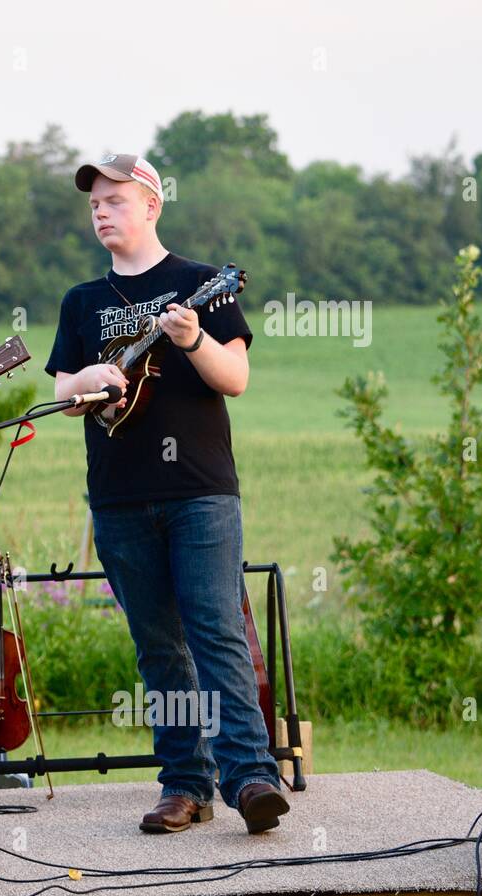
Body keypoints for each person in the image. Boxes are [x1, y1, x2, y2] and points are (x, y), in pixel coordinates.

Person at [46, 153, 290, 835]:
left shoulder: (199, 284)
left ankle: (251, 777)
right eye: (94, 202)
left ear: (152, 204)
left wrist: (193, 339)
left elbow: (234, 375)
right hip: (119, 496)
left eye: (115, 199)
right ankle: (185, 784)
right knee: (158, 646)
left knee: (216, 632)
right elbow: (63, 392)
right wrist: (91, 374)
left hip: (200, 491)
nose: (101, 211)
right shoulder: (82, 301)